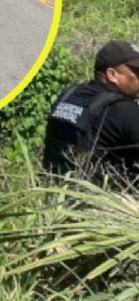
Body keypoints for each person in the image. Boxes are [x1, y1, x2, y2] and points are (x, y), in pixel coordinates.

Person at [42, 40, 139, 190]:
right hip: (103, 206)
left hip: (53, 195)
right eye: (137, 72)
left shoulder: (68, 95)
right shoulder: (125, 111)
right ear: (112, 75)